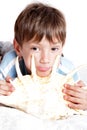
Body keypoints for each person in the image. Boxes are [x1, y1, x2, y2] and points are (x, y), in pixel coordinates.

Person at [0, 2, 87, 111]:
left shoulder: (67, 70)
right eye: (35, 48)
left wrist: (82, 99)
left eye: (54, 49)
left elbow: (79, 96)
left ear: (61, 48)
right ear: (18, 48)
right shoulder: (11, 62)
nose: (45, 59)